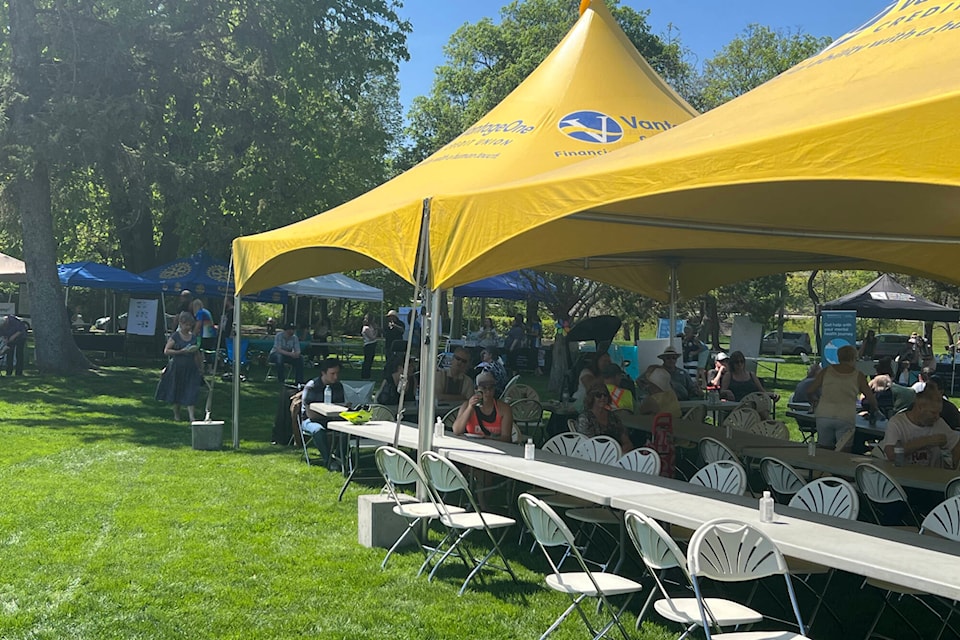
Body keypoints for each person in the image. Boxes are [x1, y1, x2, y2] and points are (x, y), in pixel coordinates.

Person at [808, 345, 878, 450]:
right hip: (845, 417)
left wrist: (814, 401)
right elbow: (871, 399)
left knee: (824, 450)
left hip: (824, 414)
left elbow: (809, 390)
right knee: (844, 451)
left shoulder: (826, 371)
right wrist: (874, 410)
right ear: (854, 358)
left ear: (838, 357)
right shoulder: (858, 375)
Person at [880, 389, 960, 468]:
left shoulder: (938, 423)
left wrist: (954, 467)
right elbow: (891, 454)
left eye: (939, 413)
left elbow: (956, 445)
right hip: (903, 476)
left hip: (933, 477)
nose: (937, 417)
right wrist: (926, 441)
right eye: (933, 413)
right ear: (920, 407)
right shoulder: (897, 423)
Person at [155, 311, 202, 421]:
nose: (189, 327)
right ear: (181, 323)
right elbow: (166, 351)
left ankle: (192, 416)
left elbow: (197, 354)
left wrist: (200, 367)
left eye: (190, 325)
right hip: (177, 367)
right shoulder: (176, 336)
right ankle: (177, 415)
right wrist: (180, 351)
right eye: (187, 325)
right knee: (177, 390)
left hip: (191, 368)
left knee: (191, 390)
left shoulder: (193, 337)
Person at [301, 358, 346, 470]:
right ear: (323, 373)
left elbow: (340, 407)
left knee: (347, 431)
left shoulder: (338, 386)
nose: (335, 377)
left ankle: (340, 457)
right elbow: (310, 414)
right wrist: (329, 414)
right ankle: (328, 460)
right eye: (332, 374)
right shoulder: (312, 386)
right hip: (311, 420)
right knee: (318, 430)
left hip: (332, 419)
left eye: (337, 373)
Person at [452, 371, 513, 442]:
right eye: (484, 388)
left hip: (495, 446)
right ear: (476, 389)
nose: (488, 391)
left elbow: (507, 438)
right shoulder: (467, 405)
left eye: (491, 388)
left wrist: (489, 439)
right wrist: (470, 408)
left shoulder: (504, 409)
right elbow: (457, 430)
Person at [576, 381, 634, 452]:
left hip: (617, 453)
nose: (602, 397)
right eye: (598, 395)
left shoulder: (613, 416)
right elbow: (586, 445)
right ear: (592, 397)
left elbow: (626, 441)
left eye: (605, 395)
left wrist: (621, 450)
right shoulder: (585, 418)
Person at [681, 325, 707, 389]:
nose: (686, 333)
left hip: (693, 361)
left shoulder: (694, 339)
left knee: (692, 376)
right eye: (685, 331)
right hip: (685, 360)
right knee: (685, 375)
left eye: (688, 332)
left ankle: (694, 389)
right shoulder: (683, 339)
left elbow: (702, 348)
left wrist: (695, 352)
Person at [360, 313, 378, 380]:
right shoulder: (366, 328)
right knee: (367, 361)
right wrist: (376, 331)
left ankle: (368, 374)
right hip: (369, 345)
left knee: (370, 361)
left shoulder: (371, 326)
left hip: (373, 344)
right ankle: (365, 375)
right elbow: (372, 337)